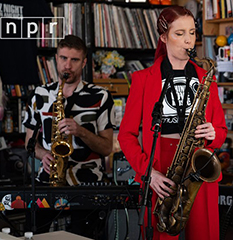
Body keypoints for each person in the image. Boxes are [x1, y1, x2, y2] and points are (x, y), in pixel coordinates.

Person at [118, 5, 227, 240]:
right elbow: (125, 135)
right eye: (180, 34)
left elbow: (220, 132)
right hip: (160, 170)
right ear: (163, 37)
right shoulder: (142, 80)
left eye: (192, 33)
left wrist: (213, 133)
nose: (188, 41)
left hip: (198, 162)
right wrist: (150, 173)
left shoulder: (207, 78)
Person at [23, 35, 115, 237]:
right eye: (63, 58)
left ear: (84, 62)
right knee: (33, 233)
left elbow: (107, 148)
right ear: (56, 59)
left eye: (74, 60)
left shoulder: (101, 96)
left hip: (87, 182)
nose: (67, 66)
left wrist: (80, 131)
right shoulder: (40, 94)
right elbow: (30, 142)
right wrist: (43, 155)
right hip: (48, 180)